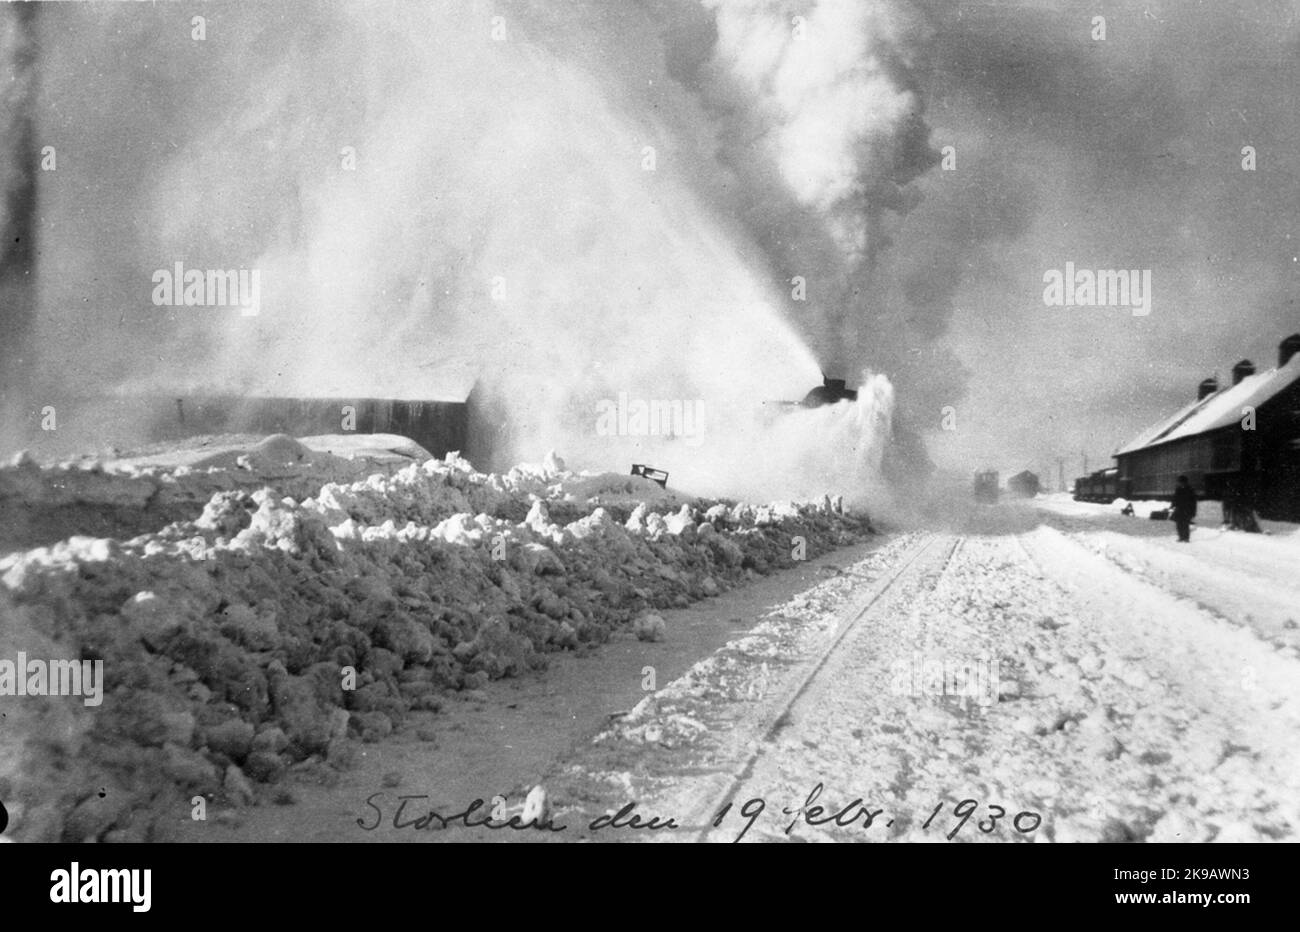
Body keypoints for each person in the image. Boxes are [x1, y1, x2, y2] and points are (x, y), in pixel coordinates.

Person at [1171, 475, 1197, 542]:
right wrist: (1172, 505)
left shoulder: (1190, 489)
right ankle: (1181, 537)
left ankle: (1186, 538)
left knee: (1185, 524)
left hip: (1187, 510)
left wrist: (1193, 512)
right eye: (1179, 482)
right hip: (1179, 509)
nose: (1179, 483)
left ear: (1184, 482)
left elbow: (1193, 502)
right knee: (1179, 524)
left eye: (1180, 482)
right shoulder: (1178, 489)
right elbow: (1175, 498)